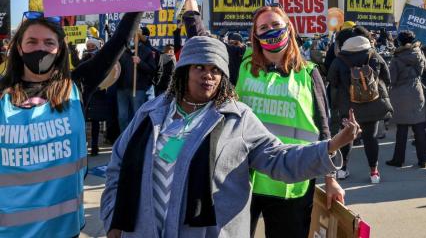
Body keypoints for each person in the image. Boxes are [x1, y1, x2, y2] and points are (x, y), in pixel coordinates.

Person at [100, 35, 360, 238]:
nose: (208, 75)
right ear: (183, 72)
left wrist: (332, 145)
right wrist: (113, 219)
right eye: (199, 67)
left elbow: (280, 158)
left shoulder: (238, 119)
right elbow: (117, 168)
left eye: (215, 70)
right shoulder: (151, 113)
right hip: (144, 230)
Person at [173, 0, 345, 238]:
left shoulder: (309, 73)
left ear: (288, 28)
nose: (270, 30)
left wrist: (331, 179)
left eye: (275, 25)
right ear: (255, 35)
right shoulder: (239, 63)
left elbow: (323, 129)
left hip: (292, 182)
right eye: (263, 27)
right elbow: (201, 40)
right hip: (241, 178)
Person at [0, 10, 141, 237]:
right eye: (32, 41)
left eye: (49, 42)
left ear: (59, 49)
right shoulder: (1, 94)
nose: (41, 48)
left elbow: (119, 41)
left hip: (64, 229)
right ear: (19, 47)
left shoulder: (76, 86)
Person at [328, 26, 393, 183]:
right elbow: (387, 76)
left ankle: (342, 170)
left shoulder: (340, 59)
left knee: (347, 137)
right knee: (371, 138)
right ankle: (374, 173)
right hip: (373, 104)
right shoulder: (373, 54)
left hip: (348, 107)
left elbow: (332, 80)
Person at [385, 31, 426, 168]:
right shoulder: (418, 53)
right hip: (417, 92)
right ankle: (423, 160)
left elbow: (392, 79)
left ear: (399, 42)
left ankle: (398, 160)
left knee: (402, 130)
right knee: (419, 128)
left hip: (400, 95)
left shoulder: (397, 58)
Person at [115, 28, 157, 132]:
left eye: (134, 36)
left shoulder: (146, 51)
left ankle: (135, 139)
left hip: (138, 89)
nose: (132, 39)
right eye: (130, 37)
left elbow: (152, 70)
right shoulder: (122, 51)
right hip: (122, 89)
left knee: (137, 116)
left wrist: (140, 62)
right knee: (122, 117)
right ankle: (124, 140)